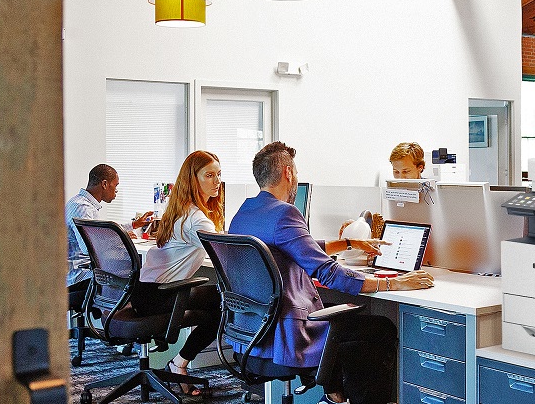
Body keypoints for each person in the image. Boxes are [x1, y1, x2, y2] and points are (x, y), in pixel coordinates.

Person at [229, 141, 435, 404]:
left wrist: (348, 243)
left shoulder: (244, 213)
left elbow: (293, 246)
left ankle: (335, 396)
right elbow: (329, 273)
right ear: (288, 173)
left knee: (344, 320)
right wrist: (394, 284)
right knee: (379, 328)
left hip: (254, 331)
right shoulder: (285, 213)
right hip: (287, 334)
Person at [135, 151, 225, 397]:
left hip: (145, 291)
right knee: (226, 303)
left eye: (218, 174)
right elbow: (227, 254)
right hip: (160, 295)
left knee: (214, 303)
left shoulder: (179, 210)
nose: (217, 181)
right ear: (192, 179)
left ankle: (180, 363)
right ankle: (180, 363)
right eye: (209, 175)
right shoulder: (196, 219)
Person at [64, 164, 153, 286]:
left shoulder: (80, 203)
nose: (116, 190)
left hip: (86, 271)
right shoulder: (83, 208)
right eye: (116, 185)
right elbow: (88, 247)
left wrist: (134, 224)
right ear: (105, 184)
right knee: (137, 279)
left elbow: (102, 230)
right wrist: (121, 238)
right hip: (80, 277)